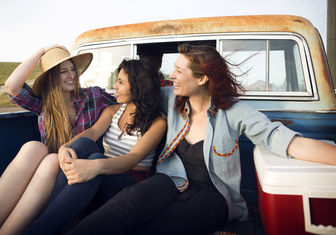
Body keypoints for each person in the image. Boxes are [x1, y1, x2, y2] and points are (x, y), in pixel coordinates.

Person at [67, 44, 336, 235]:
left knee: (155, 228)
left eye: (179, 71)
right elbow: (136, 90)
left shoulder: (234, 112)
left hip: (214, 195)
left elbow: (286, 141)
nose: (171, 76)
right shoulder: (170, 97)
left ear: (203, 77)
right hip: (169, 179)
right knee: (126, 204)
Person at [0, 45, 116, 235]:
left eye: (73, 69)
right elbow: (12, 86)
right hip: (45, 175)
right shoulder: (44, 102)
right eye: (63, 71)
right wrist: (42, 51)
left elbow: (125, 104)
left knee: (50, 159)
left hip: (74, 174)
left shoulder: (93, 96)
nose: (71, 75)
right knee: (34, 148)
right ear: (52, 77)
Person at [25, 59, 166, 234]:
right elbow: (92, 133)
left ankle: (38, 230)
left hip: (130, 180)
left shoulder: (158, 122)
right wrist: (65, 148)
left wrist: (95, 166)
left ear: (139, 86)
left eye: (121, 82)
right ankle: (46, 220)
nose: (115, 86)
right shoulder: (113, 110)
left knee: (96, 157)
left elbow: (132, 159)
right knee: (82, 144)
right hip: (101, 171)